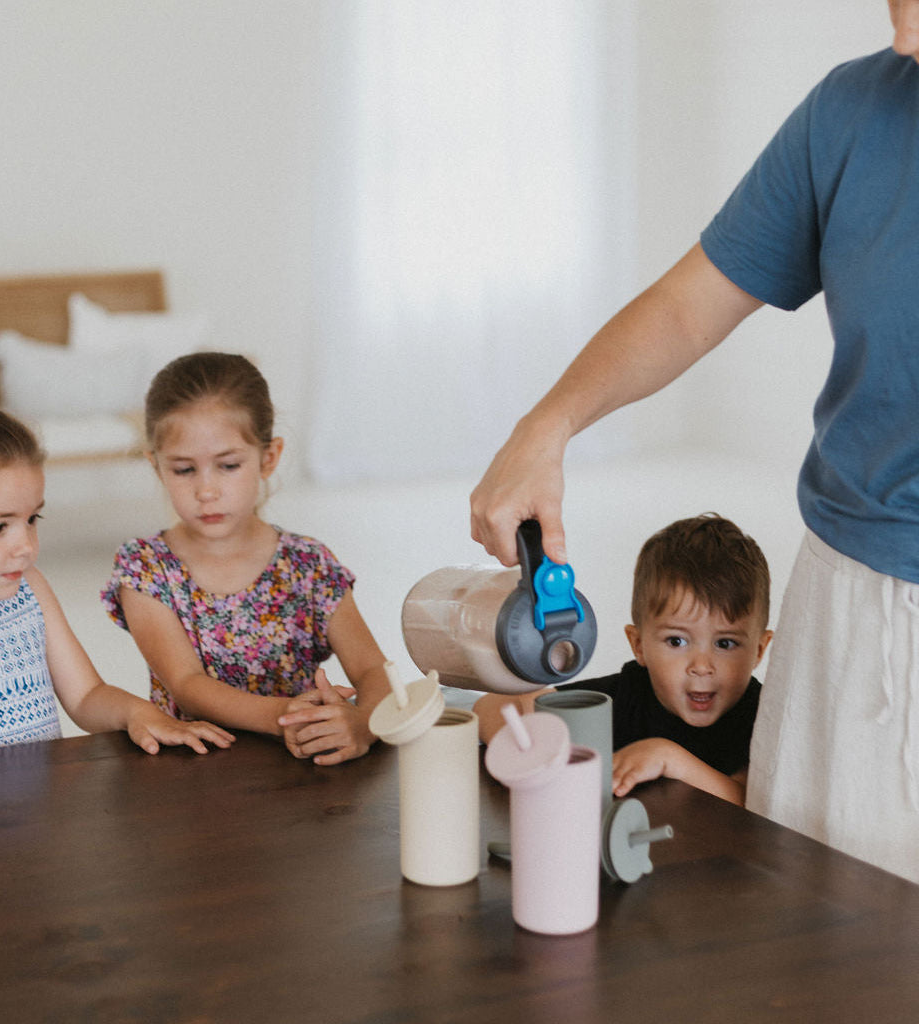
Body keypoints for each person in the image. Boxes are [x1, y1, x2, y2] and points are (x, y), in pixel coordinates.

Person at [470, 6, 919, 880]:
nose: (903, 32)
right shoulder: (855, 109)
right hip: (850, 596)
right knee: (816, 911)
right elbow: (688, 307)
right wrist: (546, 425)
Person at [0, 399, 235, 759]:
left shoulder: (30, 589)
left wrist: (140, 713)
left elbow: (86, 696)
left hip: (46, 798)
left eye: (31, 520)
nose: (26, 546)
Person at [101, 352, 390, 766]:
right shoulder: (146, 568)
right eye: (184, 470)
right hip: (193, 774)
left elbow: (373, 670)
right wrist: (285, 716)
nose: (206, 491)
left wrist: (365, 724)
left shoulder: (308, 564)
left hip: (302, 771)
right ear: (157, 466)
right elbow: (186, 684)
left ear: (268, 458)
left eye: (228, 465)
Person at [475, 515, 772, 806]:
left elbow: (751, 806)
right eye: (676, 641)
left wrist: (668, 758)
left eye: (725, 643)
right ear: (638, 645)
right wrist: (533, 735)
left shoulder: (764, 716)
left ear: (759, 650)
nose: (701, 666)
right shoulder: (629, 693)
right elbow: (488, 706)